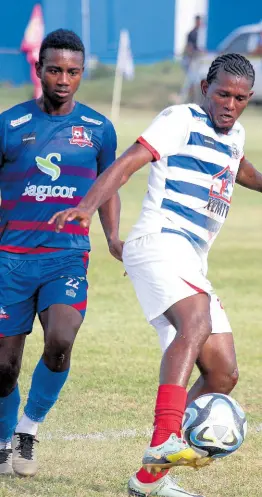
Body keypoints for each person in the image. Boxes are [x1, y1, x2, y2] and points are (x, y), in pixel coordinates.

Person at [50, 53, 260, 496]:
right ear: (205, 88)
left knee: (223, 374)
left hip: (190, 259)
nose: (230, 104)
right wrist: (87, 210)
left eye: (241, 98)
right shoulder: (179, 118)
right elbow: (128, 162)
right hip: (160, 241)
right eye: (222, 94)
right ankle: (167, 436)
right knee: (196, 320)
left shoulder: (235, 133)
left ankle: (147, 483)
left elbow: (238, 166)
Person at [0, 29, 123, 477]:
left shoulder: (97, 129)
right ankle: (2, 437)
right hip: (9, 259)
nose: (64, 78)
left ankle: (28, 430)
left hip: (67, 256)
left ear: (82, 73)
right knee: (3, 368)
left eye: (73, 71)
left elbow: (108, 187)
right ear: (39, 70)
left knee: (60, 342)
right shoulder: (9, 124)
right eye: (55, 69)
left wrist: (112, 237)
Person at [179, 15, 203, 103]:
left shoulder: (200, 34)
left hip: (196, 60)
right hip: (191, 60)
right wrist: (191, 57)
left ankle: (191, 100)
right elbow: (189, 48)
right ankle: (183, 98)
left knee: (194, 81)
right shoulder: (192, 33)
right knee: (190, 81)